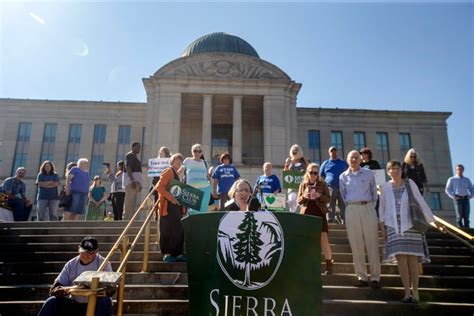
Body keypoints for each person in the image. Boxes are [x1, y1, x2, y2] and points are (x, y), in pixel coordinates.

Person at [379, 160, 438, 303]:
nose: (396, 170)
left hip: (411, 226)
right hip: (393, 227)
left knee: (412, 261)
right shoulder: (385, 187)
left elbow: (420, 201)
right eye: (392, 168)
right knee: (401, 262)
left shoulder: (410, 183)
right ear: (388, 172)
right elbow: (382, 208)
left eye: (398, 168)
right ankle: (406, 292)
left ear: (401, 170)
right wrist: (382, 229)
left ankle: (416, 292)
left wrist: (433, 222)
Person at [37, 236, 113, 316]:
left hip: (96, 304)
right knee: (52, 301)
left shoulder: (104, 263)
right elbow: (56, 287)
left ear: (97, 251)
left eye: (90, 252)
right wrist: (60, 290)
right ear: (78, 249)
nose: (85, 255)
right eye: (83, 251)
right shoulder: (71, 264)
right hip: (75, 304)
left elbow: (111, 289)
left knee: (105, 300)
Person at [339, 150, 380, 289]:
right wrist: (352, 207)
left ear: (360, 159)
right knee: (356, 244)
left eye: (356, 157)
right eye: (351, 158)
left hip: (368, 207)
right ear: (347, 160)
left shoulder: (369, 174)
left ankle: (375, 277)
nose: (354, 160)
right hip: (351, 209)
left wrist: (369, 207)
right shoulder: (343, 177)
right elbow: (344, 196)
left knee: (372, 243)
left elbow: (375, 194)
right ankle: (361, 276)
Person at [297, 163, 333, 274]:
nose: (313, 175)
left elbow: (328, 199)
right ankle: (309, 265)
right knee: (307, 240)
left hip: (319, 213)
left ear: (318, 174)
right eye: (311, 172)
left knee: (324, 240)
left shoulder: (323, 184)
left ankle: (329, 265)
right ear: (307, 173)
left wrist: (319, 196)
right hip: (306, 214)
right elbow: (298, 200)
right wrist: (304, 196)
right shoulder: (303, 185)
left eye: (315, 173)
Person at [156, 153, 186, 263]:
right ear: (172, 162)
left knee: (178, 230)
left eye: (180, 161)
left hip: (177, 208)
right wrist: (171, 198)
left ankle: (178, 254)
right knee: (167, 230)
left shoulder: (179, 175)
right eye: (176, 160)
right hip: (168, 207)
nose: (178, 162)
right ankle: (167, 254)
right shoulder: (169, 171)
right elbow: (159, 186)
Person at [320, 146, 349, 224]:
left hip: (342, 187)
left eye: (335, 151)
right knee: (330, 205)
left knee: (343, 205)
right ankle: (329, 221)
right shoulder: (326, 163)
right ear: (329, 153)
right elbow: (321, 176)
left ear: (337, 152)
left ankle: (344, 221)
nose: (333, 153)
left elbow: (349, 173)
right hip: (330, 187)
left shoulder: (343, 163)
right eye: (331, 151)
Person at [183, 144, 211, 213]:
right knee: (192, 211)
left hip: (205, 189)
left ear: (201, 153)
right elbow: (180, 172)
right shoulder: (187, 161)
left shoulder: (205, 163)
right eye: (195, 151)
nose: (197, 153)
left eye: (199, 151)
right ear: (192, 152)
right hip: (192, 189)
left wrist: (211, 188)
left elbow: (208, 177)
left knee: (203, 210)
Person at [283, 144, 310, 213]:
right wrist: (286, 164)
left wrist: (306, 161)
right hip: (292, 187)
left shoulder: (304, 160)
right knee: (292, 201)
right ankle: (292, 217)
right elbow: (285, 173)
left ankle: (303, 218)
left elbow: (310, 168)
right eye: (293, 150)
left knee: (302, 204)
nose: (295, 151)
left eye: (296, 150)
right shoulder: (289, 161)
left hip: (303, 186)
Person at [123, 142, 143, 220]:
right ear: (132, 147)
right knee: (129, 202)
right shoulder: (130, 155)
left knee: (133, 202)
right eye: (137, 147)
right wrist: (132, 180)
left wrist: (139, 183)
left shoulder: (135, 157)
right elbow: (128, 167)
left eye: (140, 147)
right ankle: (126, 219)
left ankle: (131, 219)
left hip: (136, 183)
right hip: (131, 183)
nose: (139, 149)